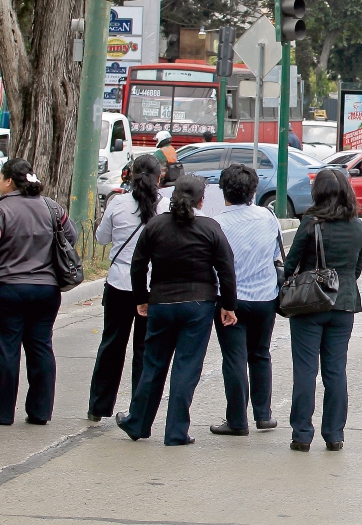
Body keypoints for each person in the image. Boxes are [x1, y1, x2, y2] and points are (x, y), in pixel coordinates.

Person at [118, 176, 237, 445]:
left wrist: (142, 297)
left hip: (161, 302)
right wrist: (228, 305)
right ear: (201, 200)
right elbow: (226, 270)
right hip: (198, 305)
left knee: (153, 365)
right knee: (186, 368)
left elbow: (138, 265)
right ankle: (175, 431)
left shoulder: (155, 225)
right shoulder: (210, 227)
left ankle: (137, 422)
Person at [284, 170, 362, 452]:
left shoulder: (311, 223)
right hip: (344, 303)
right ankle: (334, 434)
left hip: (310, 303)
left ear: (317, 193)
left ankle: (302, 434)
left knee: (306, 370)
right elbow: (356, 270)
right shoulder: (357, 226)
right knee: (335, 371)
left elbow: (290, 264)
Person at [88, 155, 165, 422]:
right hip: (153, 286)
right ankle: (139, 410)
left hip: (120, 282)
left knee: (111, 345)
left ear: (130, 175)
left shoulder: (117, 204)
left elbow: (101, 238)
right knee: (145, 350)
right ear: (160, 177)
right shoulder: (165, 207)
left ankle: (99, 406)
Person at [0, 159, 77, 426]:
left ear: (10, 181)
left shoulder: (3, 209)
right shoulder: (51, 207)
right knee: (41, 347)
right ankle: (40, 412)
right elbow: (71, 237)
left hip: (9, 288)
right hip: (47, 290)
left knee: (7, 349)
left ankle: (3, 413)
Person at [209, 164, 284, 436]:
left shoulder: (217, 222)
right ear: (253, 191)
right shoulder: (267, 216)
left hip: (230, 300)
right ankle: (263, 415)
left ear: (224, 190)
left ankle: (237, 420)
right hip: (266, 297)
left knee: (234, 359)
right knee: (261, 354)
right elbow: (276, 252)